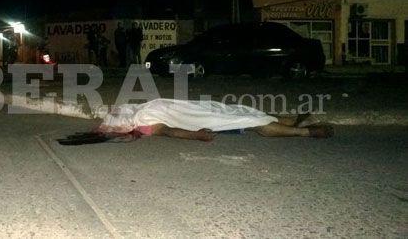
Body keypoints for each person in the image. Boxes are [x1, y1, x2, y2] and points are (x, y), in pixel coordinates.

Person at [57, 98, 333, 145]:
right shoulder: (140, 120)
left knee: (245, 116)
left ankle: (298, 127)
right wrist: (196, 135)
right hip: (199, 112)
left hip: (198, 108)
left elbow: (168, 130)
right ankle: (304, 130)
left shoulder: (136, 115)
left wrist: (195, 135)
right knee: (246, 118)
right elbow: (169, 131)